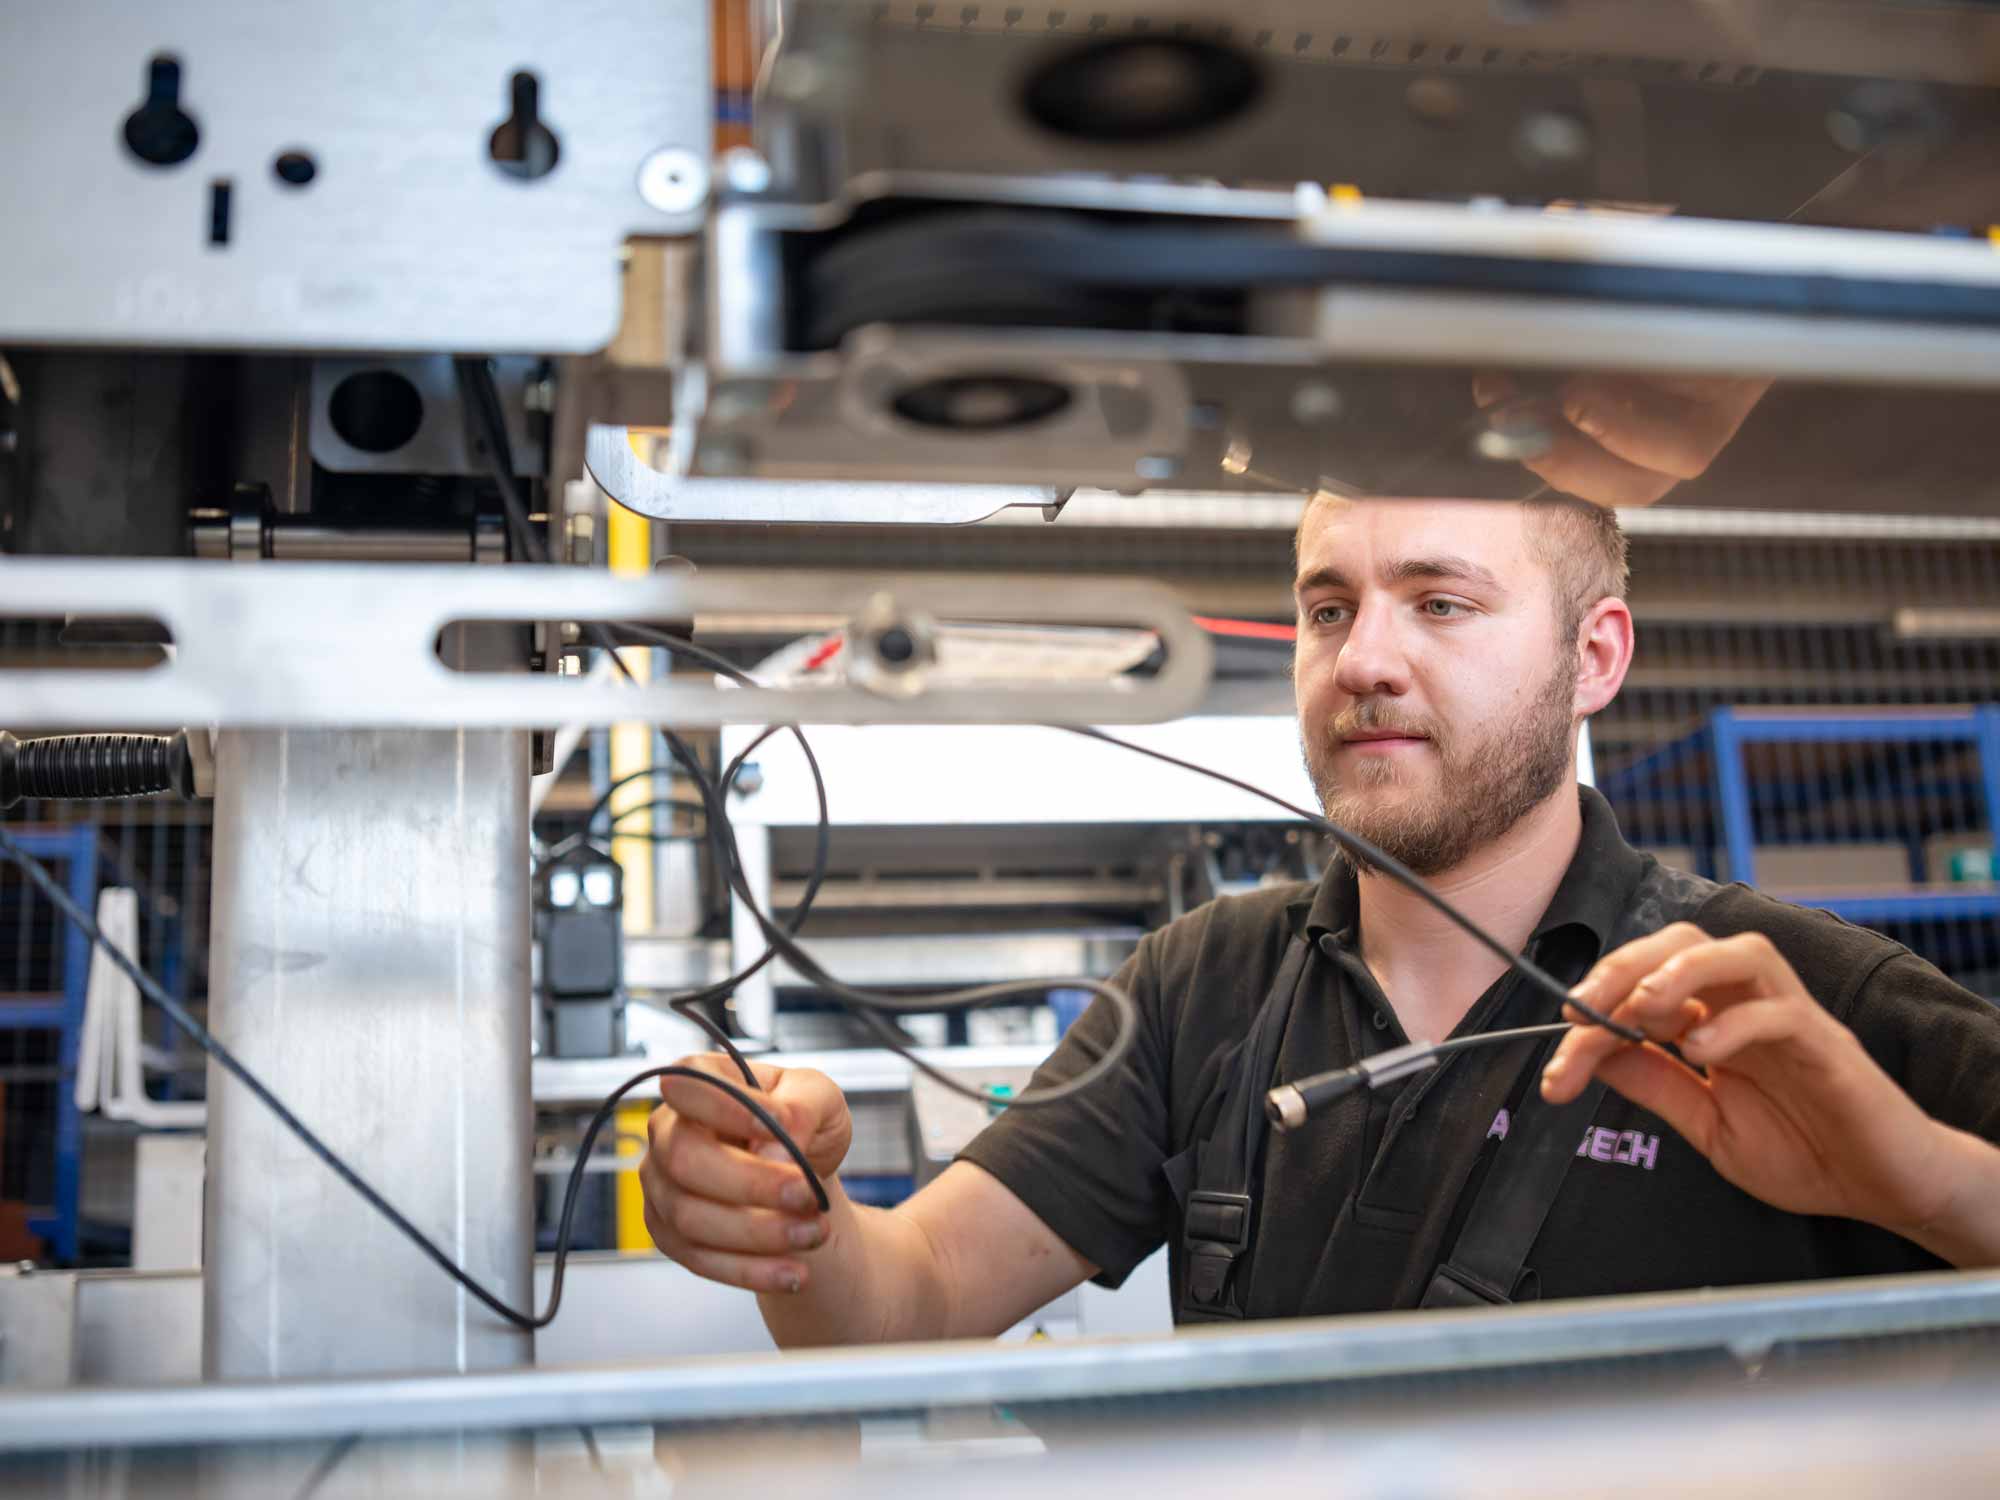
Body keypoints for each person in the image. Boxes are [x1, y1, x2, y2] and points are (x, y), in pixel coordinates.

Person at [638, 491, 2000, 1345]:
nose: (1363, 660)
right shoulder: (1200, 988)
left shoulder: (1791, 1004)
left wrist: (1913, 1175)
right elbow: (917, 1296)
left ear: (1594, 659)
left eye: (1441, 601)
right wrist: (793, 1222)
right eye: (1327, 607)